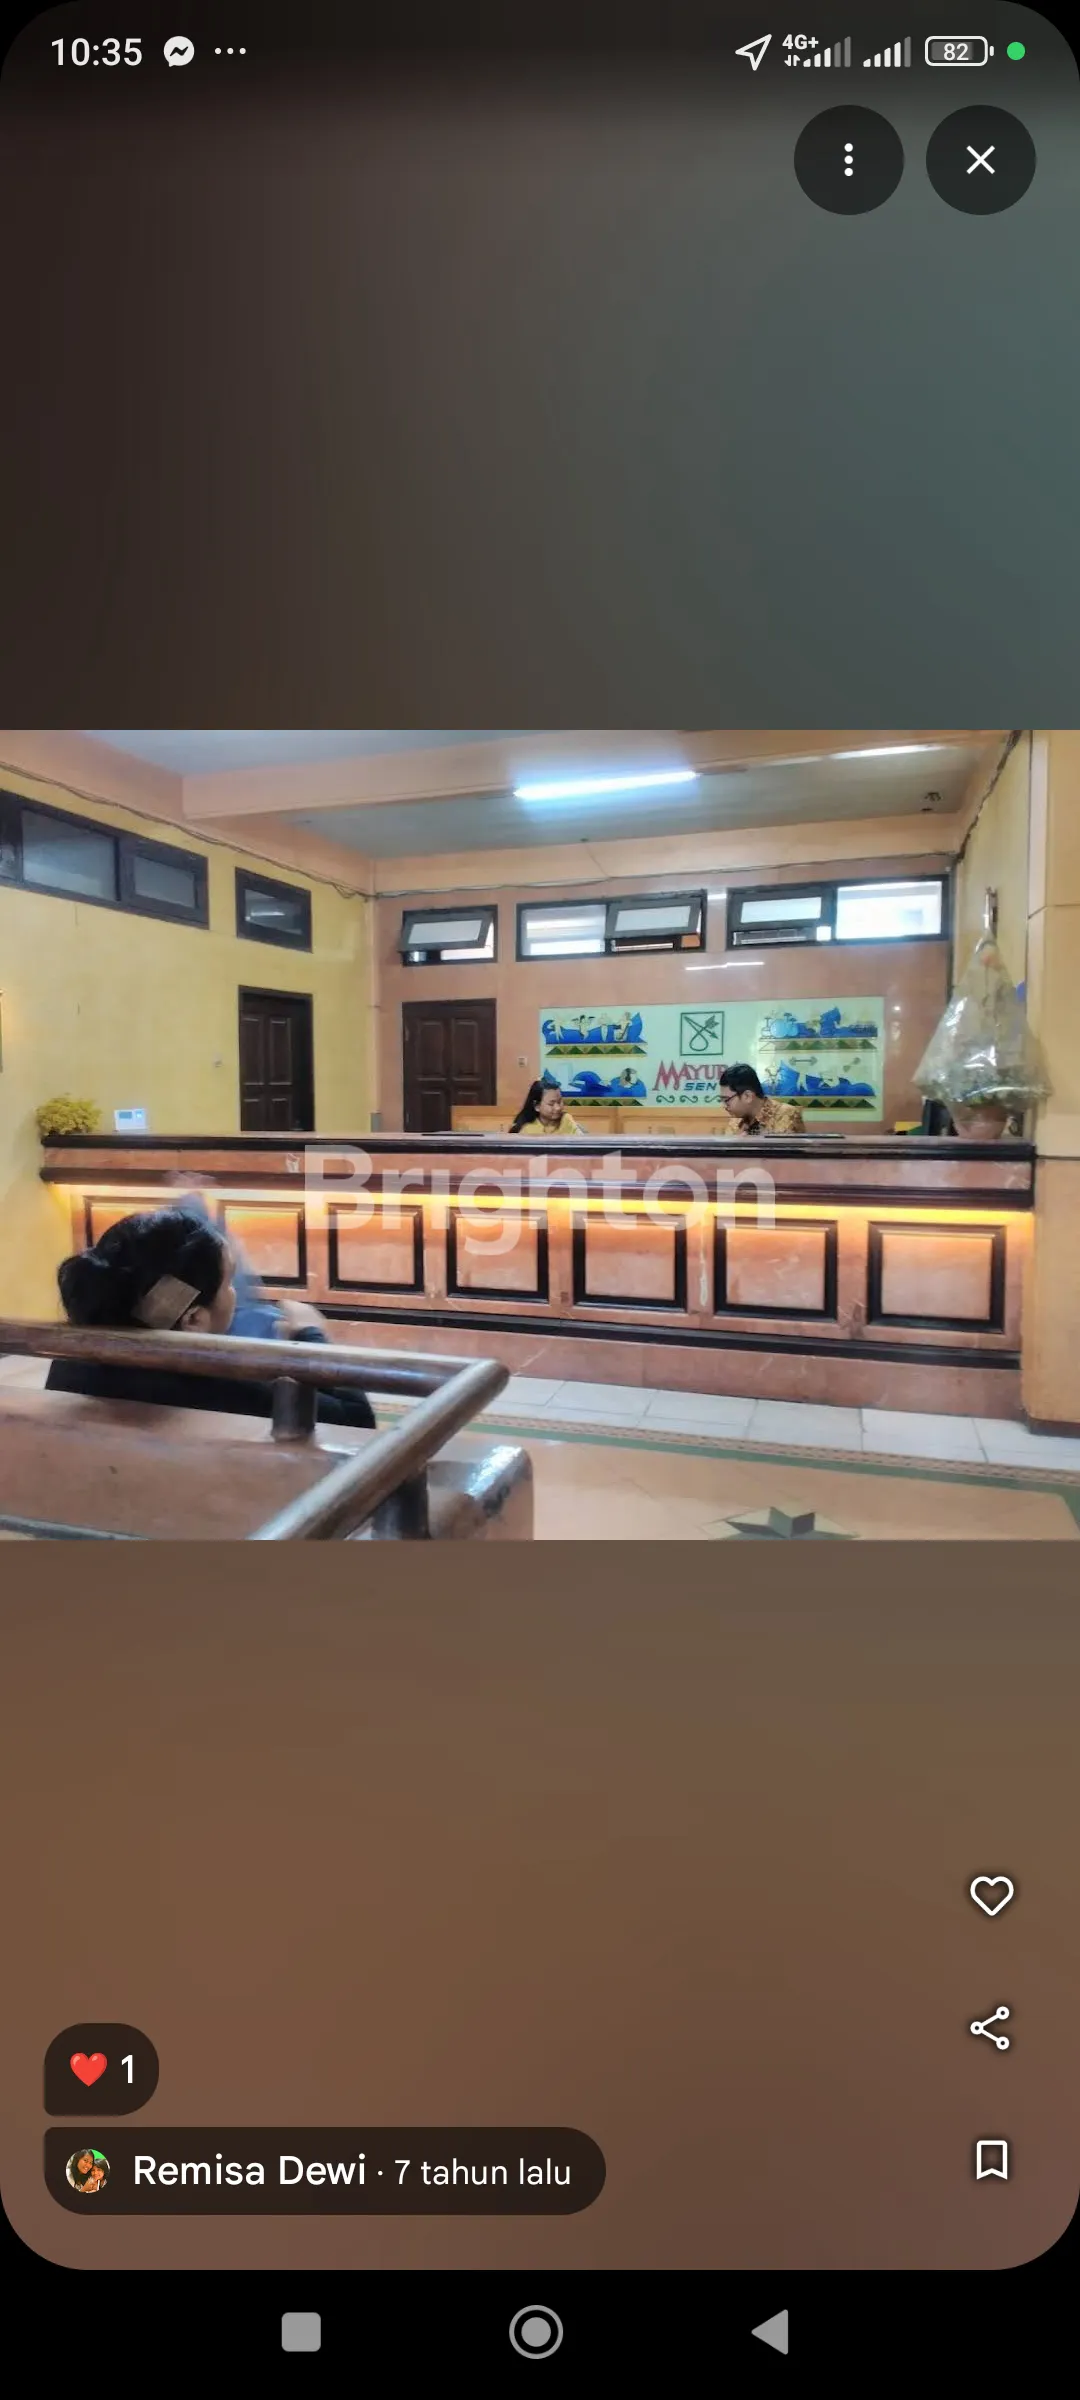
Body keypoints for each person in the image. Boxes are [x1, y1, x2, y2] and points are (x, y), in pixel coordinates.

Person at [48, 1206, 376, 1429]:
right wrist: (311, 1336)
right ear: (193, 1320)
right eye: (228, 1283)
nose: (234, 1293)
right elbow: (357, 1420)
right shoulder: (225, 1389)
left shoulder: (69, 1366)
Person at [718, 1064, 806, 1135]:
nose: (724, 1106)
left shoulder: (787, 1114)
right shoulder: (735, 1120)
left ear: (747, 1096)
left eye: (727, 1100)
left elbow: (784, 1151)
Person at [508, 1080, 584, 1136]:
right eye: (551, 1104)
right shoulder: (526, 1129)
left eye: (559, 1102)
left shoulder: (566, 1120)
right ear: (537, 1106)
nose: (557, 1108)